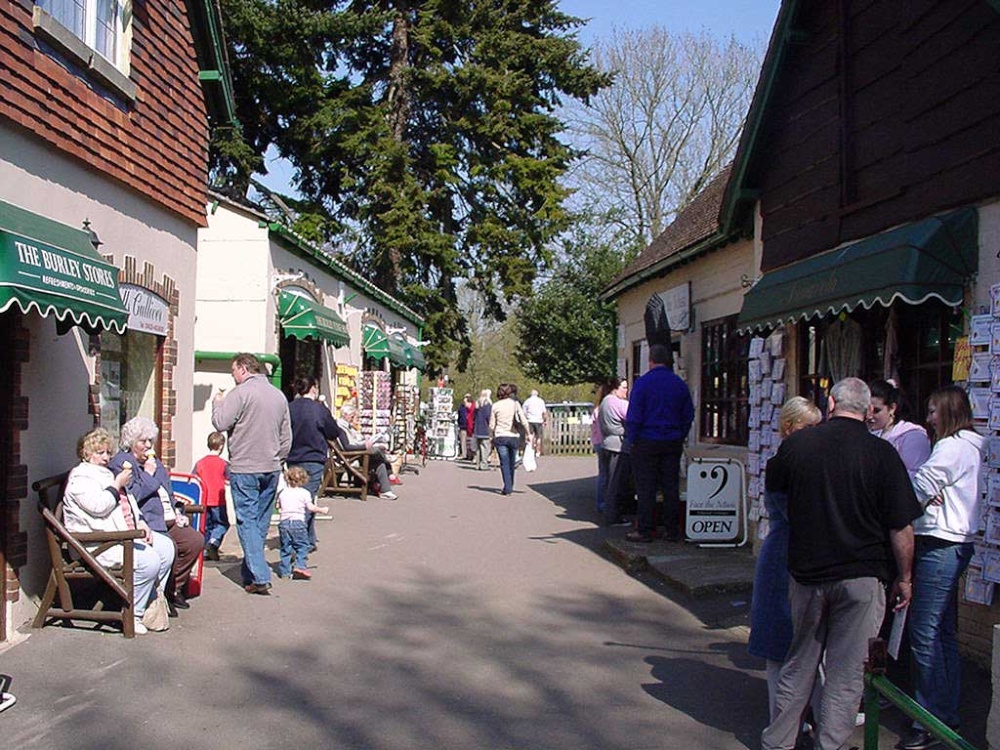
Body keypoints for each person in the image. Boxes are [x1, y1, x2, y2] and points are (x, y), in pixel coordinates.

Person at [761, 378, 922, 750]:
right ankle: (829, 745)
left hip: (807, 574)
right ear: (867, 411)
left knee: (799, 663)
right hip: (863, 577)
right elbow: (901, 526)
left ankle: (778, 742)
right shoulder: (882, 455)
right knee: (846, 674)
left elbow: (777, 502)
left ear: (830, 403)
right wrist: (905, 577)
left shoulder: (797, 446)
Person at [902, 386, 984, 750]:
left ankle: (927, 717)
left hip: (940, 542)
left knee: (924, 633)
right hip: (958, 542)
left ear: (949, 411)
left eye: (934, 411)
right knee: (944, 633)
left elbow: (917, 489)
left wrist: (907, 486)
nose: (929, 418)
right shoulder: (973, 445)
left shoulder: (950, 447)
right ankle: (944, 713)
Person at [747, 397, 822, 721]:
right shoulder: (783, 464)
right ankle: (782, 721)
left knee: (813, 648)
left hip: (805, 553)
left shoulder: (811, 460)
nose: (814, 435)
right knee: (780, 645)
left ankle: (814, 718)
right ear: (790, 427)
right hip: (783, 557)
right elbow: (793, 516)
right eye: (809, 428)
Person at [63, 428, 174, 635]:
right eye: (99, 452)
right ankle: (134, 613)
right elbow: (99, 506)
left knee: (166, 548)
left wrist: (141, 522)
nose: (105, 457)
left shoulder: (105, 472)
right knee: (149, 560)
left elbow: (128, 501)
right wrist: (116, 484)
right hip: (97, 543)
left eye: (107, 452)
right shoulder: (81, 478)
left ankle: (148, 600)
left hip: (122, 534)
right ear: (86, 454)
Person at [212, 352, 292, 595]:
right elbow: (286, 437)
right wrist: (278, 459)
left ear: (244, 369)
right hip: (271, 466)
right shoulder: (278, 396)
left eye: (233, 371)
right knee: (260, 522)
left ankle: (259, 575)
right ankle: (251, 573)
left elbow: (220, 423)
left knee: (247, 522)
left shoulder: (240, 393)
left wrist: (217, 403)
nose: (233, 376)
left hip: (245, 467)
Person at [109, 417, 205, 616]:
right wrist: (148, 474)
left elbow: (168, 494)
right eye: (142, 441)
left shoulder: (154, 463)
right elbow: (132, 495)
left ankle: (172, 588)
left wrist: (178, 510)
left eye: (150, 441)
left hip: (167, 517)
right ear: (130, 442)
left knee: (194, 540)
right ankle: (156, 597)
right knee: (169, 546)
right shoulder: (123, 464)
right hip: (147, 522)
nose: (148, 446)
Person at [623, 344, 694, 542]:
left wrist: (633, 439)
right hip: (672, 440)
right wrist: (680, 435)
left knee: (646, 487)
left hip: (647, 440)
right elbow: (688, 414)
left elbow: (634, 415)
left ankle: (645, 529)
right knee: (670, 486)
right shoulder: (678, 384)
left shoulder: (643, 383)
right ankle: (671, 529)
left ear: (650, 360)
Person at [287, 376, 342, 547]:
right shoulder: (319, 409)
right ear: (313, 388)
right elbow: (333, 432)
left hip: (293, 458)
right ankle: (299, 541)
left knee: (299, 497)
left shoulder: (289, 408)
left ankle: (309, 538)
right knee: (307, 500)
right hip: (313, 458)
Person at [868, 379, 931, 476]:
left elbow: (915, 475)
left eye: (876, 411)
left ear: (892, 408)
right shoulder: (874, 434)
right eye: (867, 410)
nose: (870, 416)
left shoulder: (913, 435)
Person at [338, 402, 400, 499]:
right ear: (345, 415)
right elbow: (347, 447)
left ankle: (386, 490)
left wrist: (365, 443)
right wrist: (364, 446)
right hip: (351, 456)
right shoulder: (341, 427)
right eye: (352, 415)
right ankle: (388, 463)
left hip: (355, 454)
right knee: (378, 452)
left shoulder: (346, 426)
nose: (353, 418)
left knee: (379, 461)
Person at [277, 466, 330, 580]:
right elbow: (310, 507)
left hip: (284, 523)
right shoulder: (304, 493)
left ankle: (285, 572)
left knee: (286, 548)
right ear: (303, 480)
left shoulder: (283, 492)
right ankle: (300, 566)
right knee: (302, 546)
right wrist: (322, 510)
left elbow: (278, 506)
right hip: (298, 522)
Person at [600, 377, 633, 526]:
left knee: (609, 481)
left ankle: (610, 512)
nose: (626, 391)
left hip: (606, 443)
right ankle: (613, 516)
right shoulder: (620, 403)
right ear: (615, 388)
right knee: (617, 483)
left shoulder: (605, 401)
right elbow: (633, 417)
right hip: (618, 445)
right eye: (624, 388)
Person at [489, 383, 532, 495]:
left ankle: (507, 487)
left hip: (500, 436)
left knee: (504, 462)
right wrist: (528, 433)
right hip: (513, 436)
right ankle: (510, 484)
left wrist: (491, 436)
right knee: (512, 462)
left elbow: (492, 425)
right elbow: (523, 420)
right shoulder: (515, 404)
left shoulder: (495, 405)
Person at [193, 431, 230, 561]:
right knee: (222, 524)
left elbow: (194, 479)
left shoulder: (200, 463)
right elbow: (229, 479)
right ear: (221, 446)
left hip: (203, 499)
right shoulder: (224, 464)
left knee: (205, 526)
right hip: (218, 499)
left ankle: (205, 551)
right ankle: (213, 543)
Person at [591, 379, 612, 514]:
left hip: (598, 442)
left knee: (603, 474)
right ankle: (606, 503)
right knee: (609, 474)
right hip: (606, 442)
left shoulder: (596, 409)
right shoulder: (606, 408)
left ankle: (601, 502)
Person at [522, 389, 548, 456]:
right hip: (538, 420)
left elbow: (524, 411)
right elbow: (544, 412)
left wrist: (525, 417)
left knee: (530, 435)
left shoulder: (527, 401)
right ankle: (537, 452)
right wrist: (545, 420)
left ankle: (530, 450)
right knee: (538, 437)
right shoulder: (541, 401)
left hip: (530, 420)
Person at [473, 390, 493, 471]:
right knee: (485, 447)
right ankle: (484, 464)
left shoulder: (477, 405)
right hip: (485, 429)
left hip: (477, 428)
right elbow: (489, 417)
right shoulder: (487, 405)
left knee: (478, 448)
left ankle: (478, 464)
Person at [457, 394, 475, 460]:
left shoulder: (472, 407)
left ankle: (470, 455)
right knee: (463, 441)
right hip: (463, 426)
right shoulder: (461, 407)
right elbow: (459, 416)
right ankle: (464, 454)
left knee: (470, 442)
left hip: (470, 426)